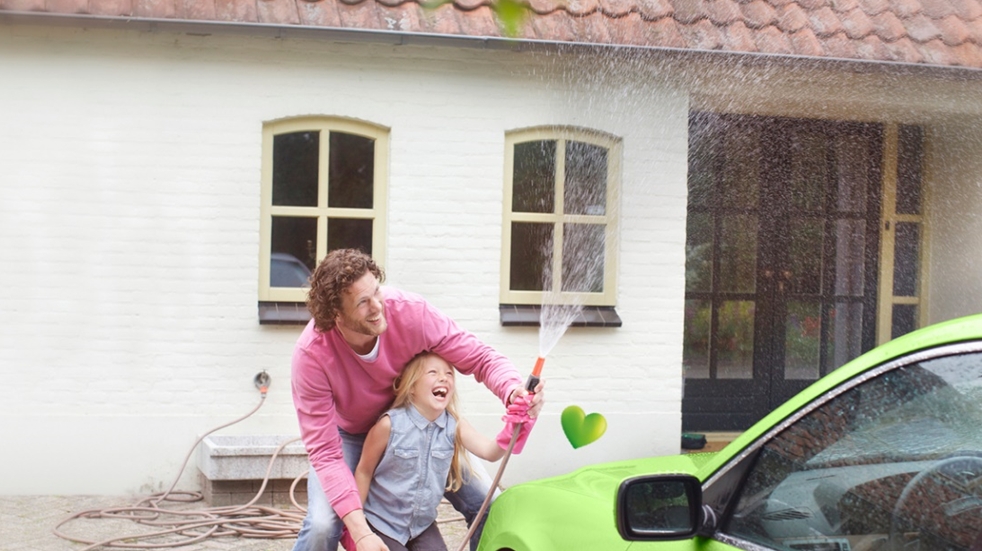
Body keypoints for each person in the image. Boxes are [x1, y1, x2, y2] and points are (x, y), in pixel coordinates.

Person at [290, 249, 545, 551]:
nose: (377, 307)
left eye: (376, 292)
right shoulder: (311, 356)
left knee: (488, 504)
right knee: (322, 526)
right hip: (352, 436)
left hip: (421, 427)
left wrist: (511, 389)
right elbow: (326, 454)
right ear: (336, 314)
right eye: (362, 302)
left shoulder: (410, 312)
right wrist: (360, 533)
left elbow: (479, 357)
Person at [348, 352, 535, 551]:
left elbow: (491, 452)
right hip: (382, 523)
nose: (443, 377)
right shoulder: (389, 425)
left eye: (449, 373)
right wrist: (358, 530)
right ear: (412, 387)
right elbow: (364, 471)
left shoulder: (454, 425)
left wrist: (514, 427)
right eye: (433, 372)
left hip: (421, 526)